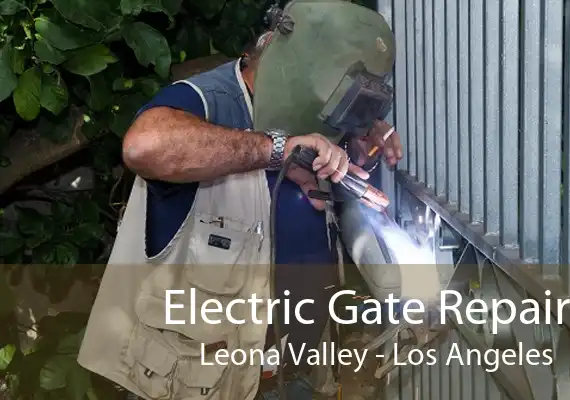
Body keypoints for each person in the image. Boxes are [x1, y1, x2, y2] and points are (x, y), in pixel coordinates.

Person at [76, 1, 401, 399]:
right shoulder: (207, 102)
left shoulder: (313, 119)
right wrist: (276, 149)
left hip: (296, 370)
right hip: (200, 384)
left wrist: (356, 133)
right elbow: (145, 146)